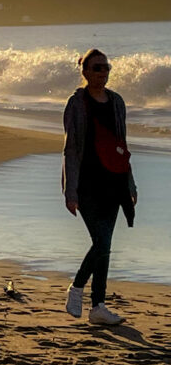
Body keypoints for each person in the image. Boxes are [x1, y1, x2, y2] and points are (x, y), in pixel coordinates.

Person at [63, 48, 137, 325]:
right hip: (87, 183)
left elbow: (122, 146)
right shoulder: (76, 104)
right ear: (84, 72)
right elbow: (70, 149)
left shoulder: (117, 102)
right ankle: (78, 287)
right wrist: (70, 191)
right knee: (102, 242)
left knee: (104, 246)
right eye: (96, 68)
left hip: (114, 181)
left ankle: (98, 307)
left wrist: (130, 182)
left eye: (105, 68)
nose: (102, 73)